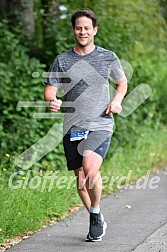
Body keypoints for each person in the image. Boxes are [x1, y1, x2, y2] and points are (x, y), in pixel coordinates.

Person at [44, 8, 127, 242]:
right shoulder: (63, 60)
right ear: (74, 30)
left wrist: (117, 102)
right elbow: (50, 88)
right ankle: (95, 216)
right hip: (72, 126)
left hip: (100, 123)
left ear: (95, 30)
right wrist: (53, 100)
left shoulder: (107, 57)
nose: (83, 31)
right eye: (79, 28)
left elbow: (122, 83)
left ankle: (95, 212)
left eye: (87, 28)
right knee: (81, 179)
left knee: (90, 170)